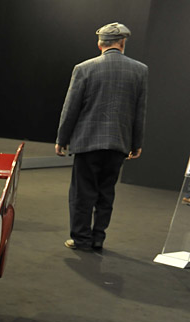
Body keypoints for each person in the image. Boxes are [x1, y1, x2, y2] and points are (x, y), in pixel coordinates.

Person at [55, 22, 148, 252]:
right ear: (123, 43)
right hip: (118, 143)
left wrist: (62, 139)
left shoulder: (84, 68)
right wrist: (136, 143)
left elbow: (71, 109)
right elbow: (139, 112)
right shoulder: (139, 70)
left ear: (100, 44)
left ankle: (81, 238)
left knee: (82, 192)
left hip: (87, 143)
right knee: (107, 192)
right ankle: (98, 238)